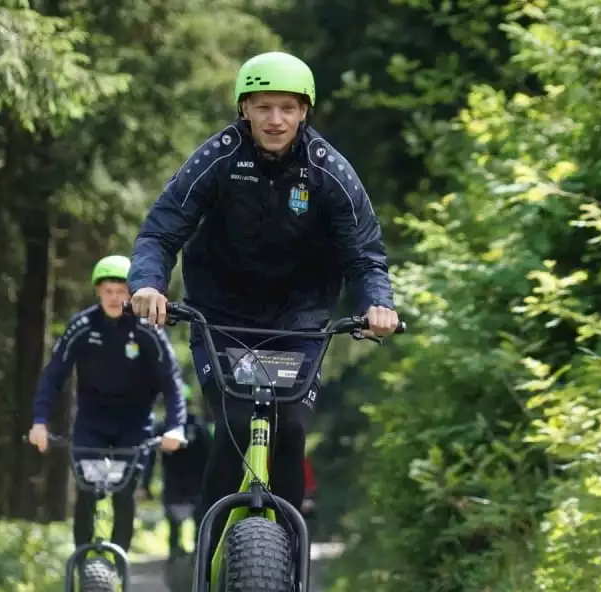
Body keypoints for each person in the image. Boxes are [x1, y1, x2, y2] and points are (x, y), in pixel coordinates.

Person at [126, 51, 399, 561]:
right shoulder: (219, 158)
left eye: (289, 108)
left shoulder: (329, 172)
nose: (276, 120)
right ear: (244, 109)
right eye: (264, 107)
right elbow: (161, 231)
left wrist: (377, 305)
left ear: (305, 112)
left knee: (291, 428)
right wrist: (148, 284)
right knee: (231, 428)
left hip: (299, 319)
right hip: (220, 314)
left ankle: (285, 565)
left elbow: (364, 254)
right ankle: (207, 569)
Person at [29, 254, 187, 554]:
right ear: (98, 291)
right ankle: (82, 566)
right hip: (91, 420)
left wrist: (176, 427)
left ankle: (118, 572)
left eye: (121, 291)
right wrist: (39, 421)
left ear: (130, 294)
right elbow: (53, 376)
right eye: (108, 291)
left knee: (124, 495)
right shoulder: (82, 326)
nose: (114, 298)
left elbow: (171, 381)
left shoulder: (146, 329)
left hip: (135, 422)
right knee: (86, 493)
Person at [146, 383, 214, 561]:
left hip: (177, 489)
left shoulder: (164, 428)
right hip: (193, 489)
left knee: (176, 535)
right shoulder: (199, 427)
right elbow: (211, 456)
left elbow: (149, 460)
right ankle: (196, 563)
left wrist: (145, 485)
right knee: (197, 533)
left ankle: (177, 562)